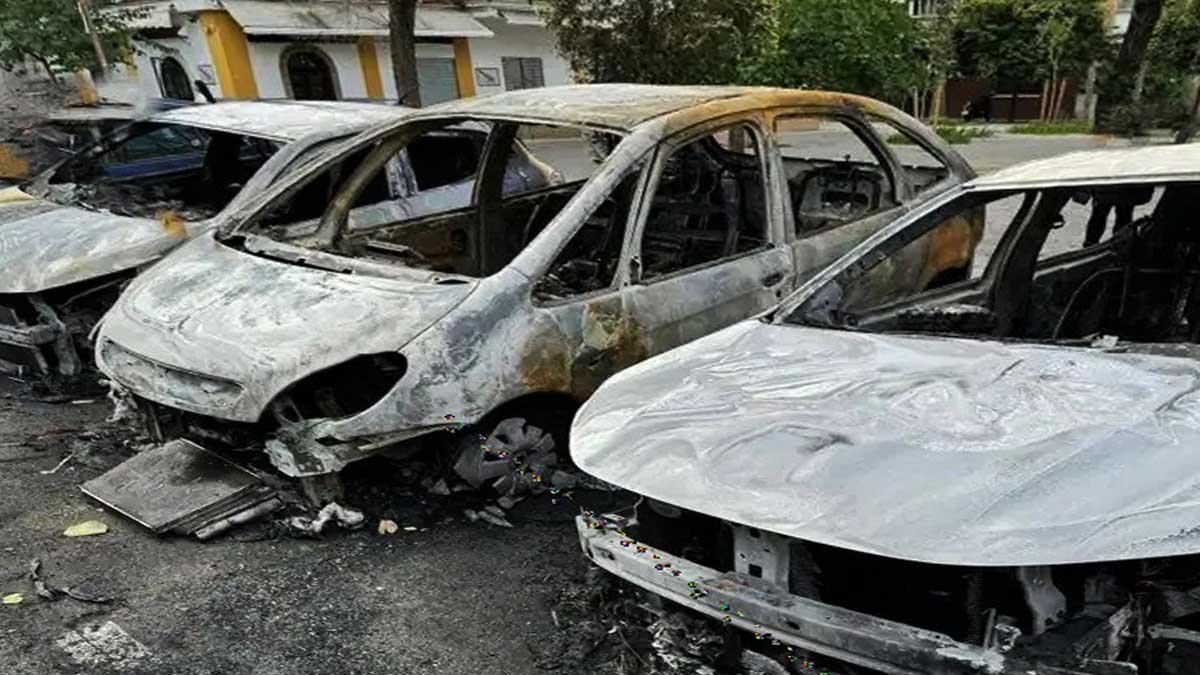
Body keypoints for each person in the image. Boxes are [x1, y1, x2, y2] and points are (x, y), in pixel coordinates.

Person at [1081, 186, 1156, 247]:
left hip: (1108, 187)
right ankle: (1120, 245)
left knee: (1099, 216)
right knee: (1123, 216)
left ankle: (1090, 244)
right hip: (1124, 188)